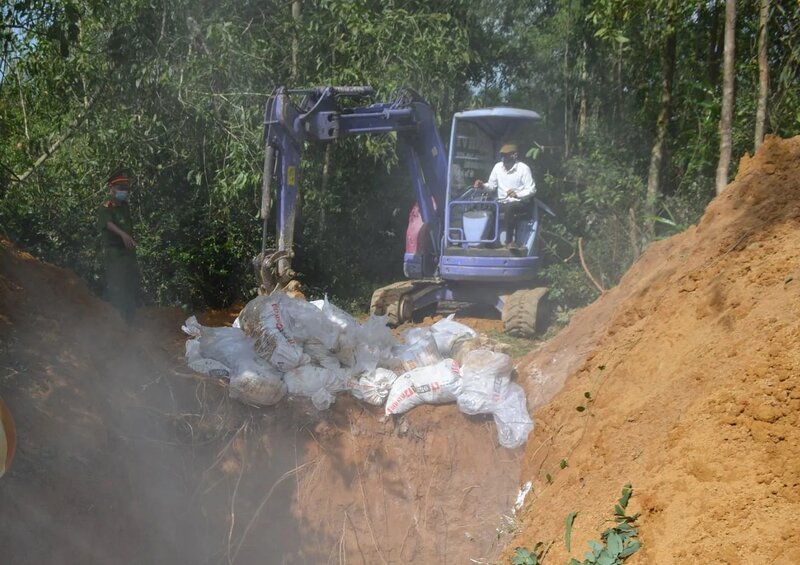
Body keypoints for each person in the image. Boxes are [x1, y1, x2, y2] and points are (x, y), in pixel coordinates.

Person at [473, 144, 536, 246]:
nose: (504, 158)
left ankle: (509, 242)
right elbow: (491, 187)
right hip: (502, 202)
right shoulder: (497, 167)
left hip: (520, 203)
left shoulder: (523, 168)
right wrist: (482, 185)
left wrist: (517, 194)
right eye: (502, 156)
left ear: (515, 155)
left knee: (510, 208)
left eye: (506, 155)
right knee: (487, 207)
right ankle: (488, 241)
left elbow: (532, 189)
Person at [97, 171, 139, 324]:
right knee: (117, 286)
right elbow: (107, 223)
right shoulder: (107, 206)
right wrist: (122, 234)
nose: (124, 191)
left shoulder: (124, 206)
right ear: (112, 188)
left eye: (126, 188)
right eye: (121, 188)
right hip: (114, 252)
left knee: (130, 285)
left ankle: (130, 322)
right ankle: (118, 323)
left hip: (128, 252)